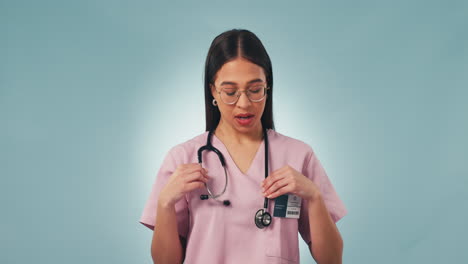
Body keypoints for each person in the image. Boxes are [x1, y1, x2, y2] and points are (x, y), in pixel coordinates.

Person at [139, 28, 347, 264]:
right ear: (213, 92)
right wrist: (165, 203)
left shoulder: (299, 156)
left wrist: (315, 196)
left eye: (255, 90)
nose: (244, 103)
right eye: (230, 92)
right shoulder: (183, 159)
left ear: (267, 87)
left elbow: (332, 260)